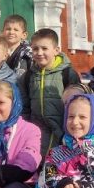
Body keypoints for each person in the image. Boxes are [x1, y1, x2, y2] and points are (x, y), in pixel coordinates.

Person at [20, 28, 80, 157]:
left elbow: (78, 105)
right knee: (37, 166)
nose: (39, 53)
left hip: (61, 132)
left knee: (57, 168)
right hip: (36, 131)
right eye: (35, 49)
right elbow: (24, 106)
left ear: (56, 50)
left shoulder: (67, 74)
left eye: (44, 48)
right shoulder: (28, 76)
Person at [1, 14, 33, 79]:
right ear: (2, 32)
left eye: (16, 30)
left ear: (24, 35)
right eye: (8, 29)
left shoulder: (28, 54)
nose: (11, 32)